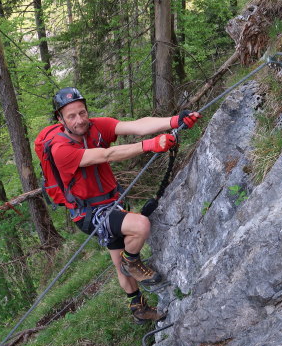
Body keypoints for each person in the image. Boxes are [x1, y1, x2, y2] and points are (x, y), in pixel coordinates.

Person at [38, 87, 200, 323]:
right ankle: (132, 261)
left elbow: (136, 126)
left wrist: (174, 120)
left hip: (111, 202)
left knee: (118, 261)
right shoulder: (60, 149)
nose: (80, 120)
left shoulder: (95, 127)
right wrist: (150, 145)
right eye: (71, 116)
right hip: (88, 213)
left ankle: (138, 307)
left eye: (82, 113)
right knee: (140, 226)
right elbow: (105, 155)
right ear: (60, 119)